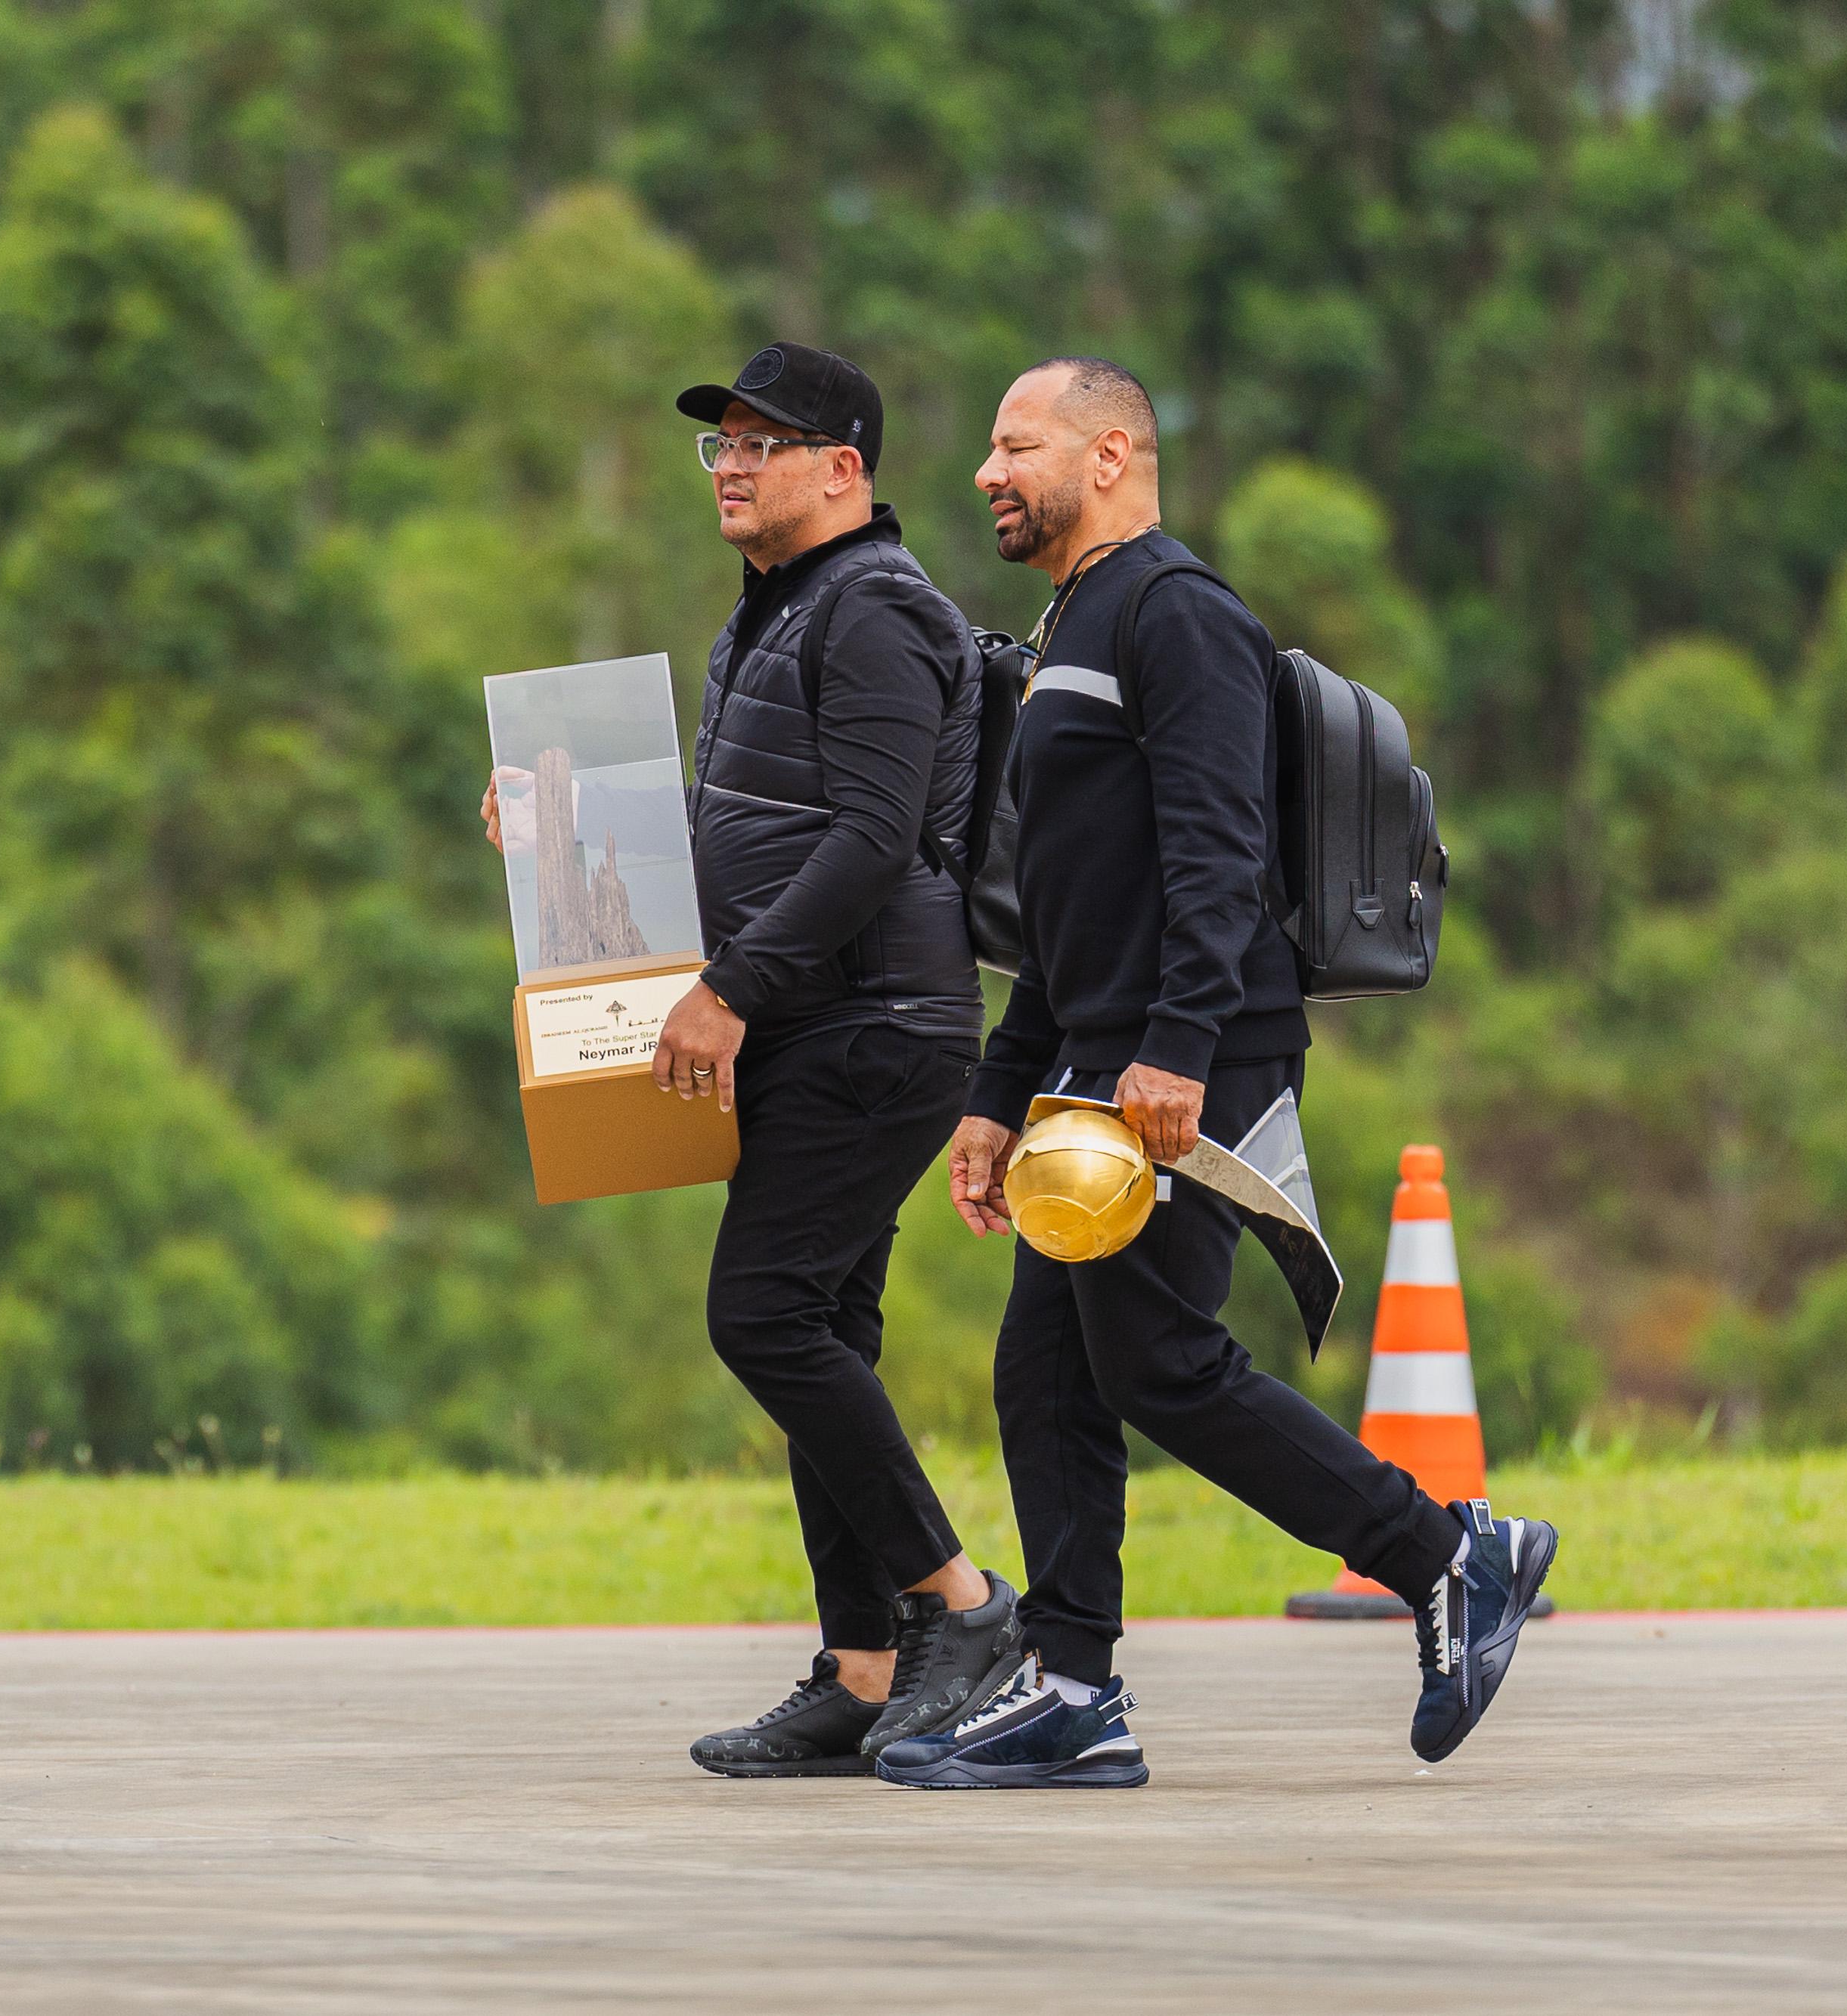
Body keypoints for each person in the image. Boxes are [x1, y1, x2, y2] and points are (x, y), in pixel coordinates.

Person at [874, 358, 1558, 1792]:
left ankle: (1445, 1554)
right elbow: (1062, 902)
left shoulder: (1177, 615)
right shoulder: (1075, 622)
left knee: (1158, 1364)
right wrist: (1004, 1092)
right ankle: (1071, 1686)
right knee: (1047, 1373)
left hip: (1186, 1053)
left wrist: (1179, 1047)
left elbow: (1220, 852)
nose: (989, 472)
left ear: (1111, 453)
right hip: (1092, 1060)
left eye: (1020, 445)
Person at [477, 342, 1022, 1776]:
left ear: (844, 470)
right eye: (717, 444)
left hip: (876, 1024)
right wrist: (553, 833)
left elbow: (873, 835)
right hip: (805, 1021)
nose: (728, 463)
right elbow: (731, 840)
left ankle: (961, 1608)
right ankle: (857, 1667)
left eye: (761, 444)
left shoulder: (882, 612)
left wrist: (727, 989)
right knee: (821, 1330)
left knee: (765, 1313)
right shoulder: (769, 622)